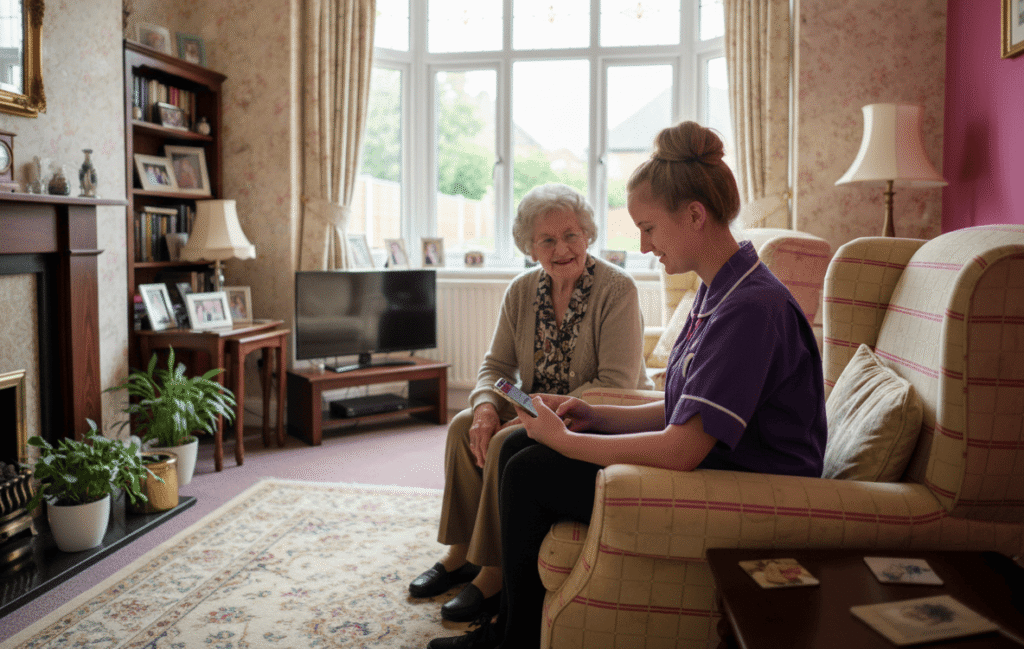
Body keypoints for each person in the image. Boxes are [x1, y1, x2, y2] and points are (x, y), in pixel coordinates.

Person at [428, 122, 827, 648]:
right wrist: (594, 415)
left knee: (528, 470)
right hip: (717, 459)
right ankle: (509, 624)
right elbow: (680, 408)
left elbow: (682, 448)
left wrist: (567, 441)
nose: (642, 245)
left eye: (649, 228)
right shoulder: (718, 292)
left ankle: (514, 641)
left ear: (694, 215)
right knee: (519, 448)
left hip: (746, 485)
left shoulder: (749, 309)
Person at [410, 183, 653, 624]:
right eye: (547, 240)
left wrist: (531, 419)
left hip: (595, 413)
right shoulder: (522, 290)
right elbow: (497, 367)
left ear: (588, 234)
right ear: (530, 246)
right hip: (532, 401)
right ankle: (460, 553)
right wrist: (487, 406)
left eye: (571, 235)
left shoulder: (618, 289)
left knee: (505, 441)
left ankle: (493, 571)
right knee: (465, 424)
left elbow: (614, 385)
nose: (562, 249)